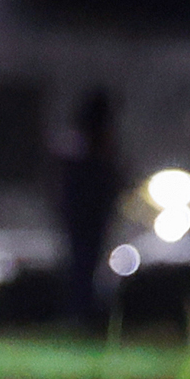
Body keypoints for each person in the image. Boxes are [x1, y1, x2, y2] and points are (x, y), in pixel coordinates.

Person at [50, 86, 122, 329]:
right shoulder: (89, 146)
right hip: (86, 213)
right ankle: (80, 312)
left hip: (85, 213)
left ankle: (82, 312)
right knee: (83, 263)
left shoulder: (86, 144)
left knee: (83, 263)